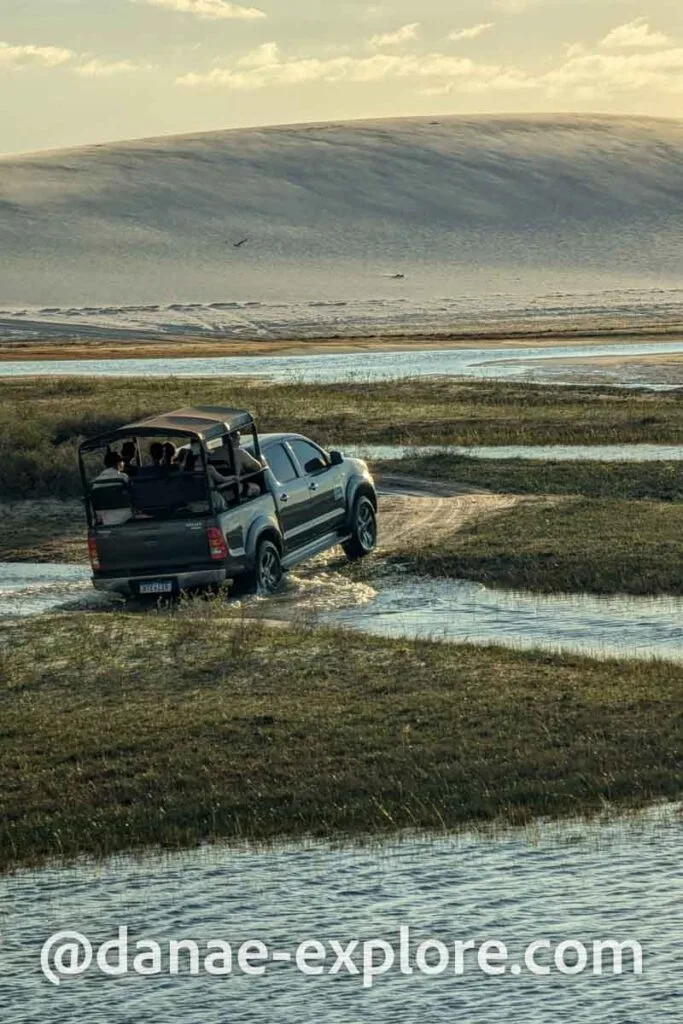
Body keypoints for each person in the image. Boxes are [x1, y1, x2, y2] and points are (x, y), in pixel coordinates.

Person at [211, 430, 263, 497]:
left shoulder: (213, 455)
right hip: (236, 489)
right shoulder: (239, 452)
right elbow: (257, 467)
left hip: (220, 493)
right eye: (238, 439)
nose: (239, 443)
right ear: (232, 439)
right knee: (257, 488)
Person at [90, 451, 132, 525]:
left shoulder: (96, 482)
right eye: (122, 461)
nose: (123, 463)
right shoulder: (123, 477)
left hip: (104, 518)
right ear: (117, 463)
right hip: (125, 516)